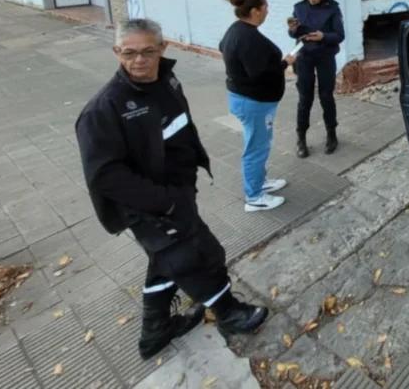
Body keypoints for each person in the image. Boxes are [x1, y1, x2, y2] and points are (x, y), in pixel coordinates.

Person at [75, 19, 269, 361]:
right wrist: (165, 204)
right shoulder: (103, 110)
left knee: (165, 260)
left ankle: (155, 332)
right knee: (197, 256)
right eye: (129, 53)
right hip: (151, 204)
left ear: (162, 48)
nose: (139, 60)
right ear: (116, 52)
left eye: (148, 51)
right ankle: (228, 312)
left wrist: (189, 177)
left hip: (179, 190)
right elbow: (105, 176)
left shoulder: (166, 79)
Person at [219, 0, 295, 213]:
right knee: (256, 148)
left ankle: (260, 182)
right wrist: (285, 63)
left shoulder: (237, 29)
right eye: (265, 8)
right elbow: (260, 72)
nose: (267, 12)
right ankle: (254, 197)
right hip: (253, 102)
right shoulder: (248, 37)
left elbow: (223, 48)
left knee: (259, 143)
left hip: (247, 98)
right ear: (255, 11)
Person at [288, 0, 345, 158]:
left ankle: (331, 134)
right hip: (304, 56)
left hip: (325, 56)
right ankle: (301, 138)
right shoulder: (299, 7)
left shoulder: (332, 8)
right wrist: (292, 29)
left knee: (326, 96)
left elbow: (339, 35)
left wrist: (323, 37)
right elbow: (294, 34)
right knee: (305, 98)